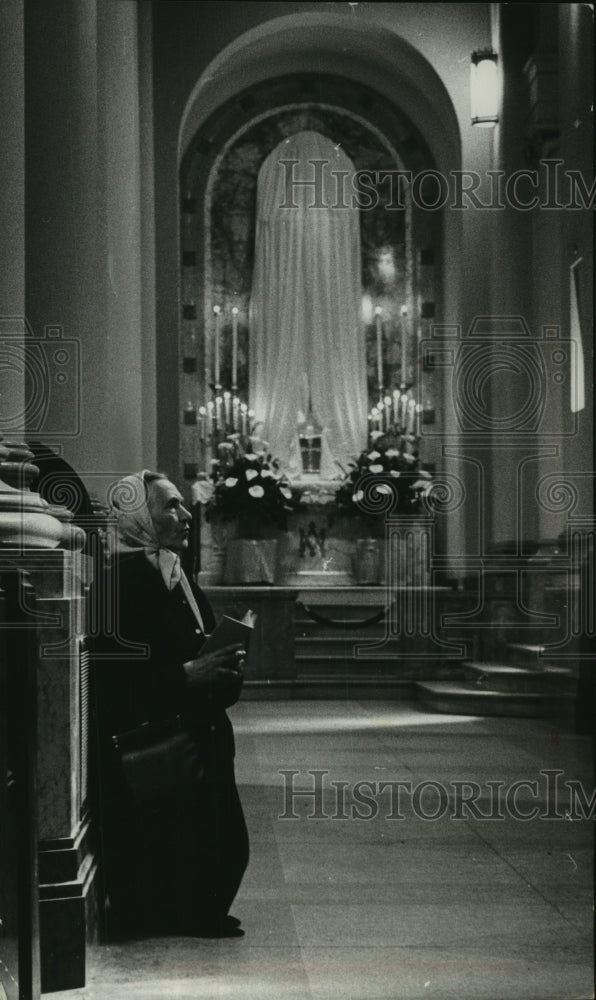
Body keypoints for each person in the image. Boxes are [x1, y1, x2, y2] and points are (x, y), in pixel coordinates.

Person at [91, 469, 249, 939]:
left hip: (198, 736)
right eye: (170, 507)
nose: (184, 515)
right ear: (139, 518)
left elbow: (197, 647)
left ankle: (196, 911)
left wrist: (224, 665)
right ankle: (180, 914)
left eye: (182, 505)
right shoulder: (120, 581)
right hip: (159, 744)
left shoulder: (177, 575)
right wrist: (185, 675)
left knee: (223, 842)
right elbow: (109, 675)